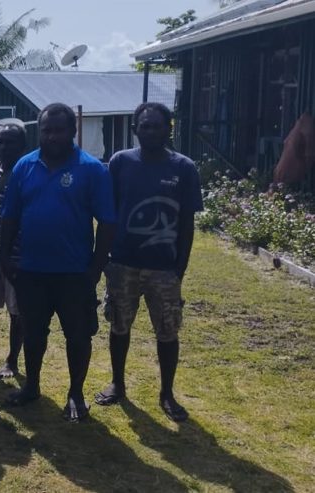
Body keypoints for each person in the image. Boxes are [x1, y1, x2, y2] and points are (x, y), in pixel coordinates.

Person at [0, 103, 116, 422]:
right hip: (31, 271)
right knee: (34, 333)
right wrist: (5, 255)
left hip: (74, 272)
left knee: (77, 336)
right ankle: (32, 387)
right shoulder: (25, 166)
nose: (52, 136)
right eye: (46, 130)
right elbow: (10, 216)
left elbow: (107, 222)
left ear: (72, 132)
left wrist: (95, 267)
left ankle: (76, 393)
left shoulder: (92, 169)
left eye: (59, 130)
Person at [93, 102, 202, 422]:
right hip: (123, 263)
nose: (150, 131)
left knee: (167, 332)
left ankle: (167, 393)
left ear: (169, 128)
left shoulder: (184, 167)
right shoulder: (120, 163)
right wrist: (105, 260)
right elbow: (108, 215)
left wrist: (179, 269)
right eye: (145, 125)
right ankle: (118, 383)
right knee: (119, 325)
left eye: (157, 126)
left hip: (163, 268)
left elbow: (187, 224)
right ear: (135, 129)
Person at [0, 123, 29, 379]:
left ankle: (12, 360)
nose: (5, 147)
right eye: (1, 142)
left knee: (17, 312)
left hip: (17, 256)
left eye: (11, 142)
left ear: (23, 146)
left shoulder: (30, 175)